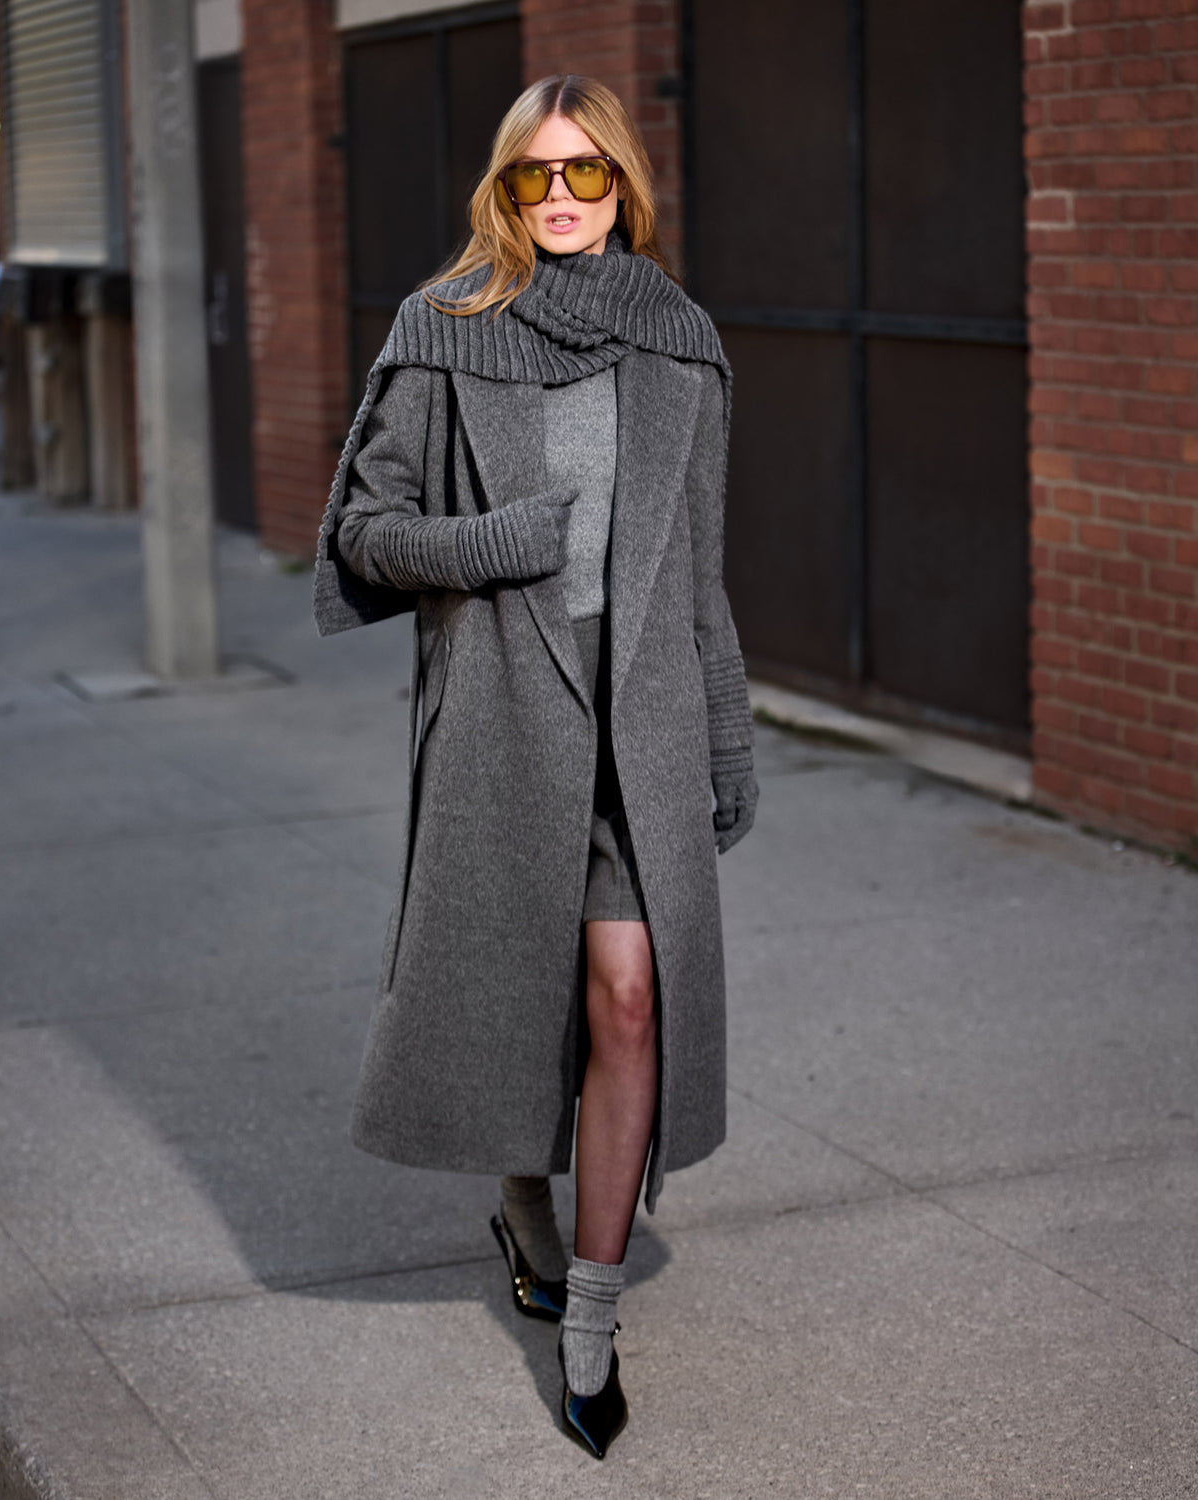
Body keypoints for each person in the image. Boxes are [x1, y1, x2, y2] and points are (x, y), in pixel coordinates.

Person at [313, 73, 757, 1460]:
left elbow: (700, 572)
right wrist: (500, 541)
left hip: (649, 722)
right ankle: (521, 1202)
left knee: (628, 999)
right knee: (519, 980)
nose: (558, 199)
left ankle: (590, 1316)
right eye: (531, 178)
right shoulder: (442, 329)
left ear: (627, 186)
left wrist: (729, 734)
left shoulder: (680, 342)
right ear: (500, 189)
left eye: (585, 175)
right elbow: (364, 536)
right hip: (505, 714)